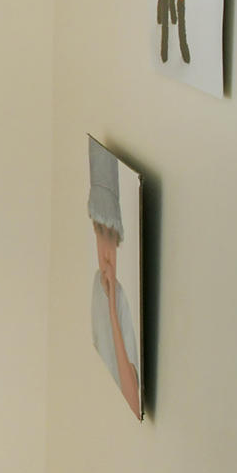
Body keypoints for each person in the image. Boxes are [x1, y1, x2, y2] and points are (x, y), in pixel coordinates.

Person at [87, 140, 143, 418]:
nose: (106, 252)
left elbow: (134, 401)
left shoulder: (118, 299)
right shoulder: (96, 287)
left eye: (111, 235)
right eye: (100, 231)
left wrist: (113, 315)